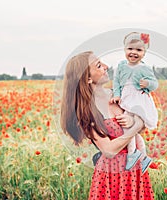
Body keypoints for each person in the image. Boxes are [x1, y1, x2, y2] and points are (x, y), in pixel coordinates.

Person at [60, 51, 154, 200]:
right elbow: (109, 150)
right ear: (88, 78)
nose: (106, 66)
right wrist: (136, 126)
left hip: (134, 168)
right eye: (99, 65)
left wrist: (135, 121)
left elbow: (144, 121)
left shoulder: (119, 95)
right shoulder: (86, 111)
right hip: (111, 172)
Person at [110, 32, 158, 173]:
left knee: (129, 129)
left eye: (139, 50)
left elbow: (155, 84)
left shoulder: (145, 68)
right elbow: (116, 82)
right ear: (125, 49)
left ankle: (132, 155)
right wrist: (117, 95)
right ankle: (143, 157)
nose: (134, 52)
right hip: (126, 98)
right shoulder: (121, 66)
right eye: (130, 49)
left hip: (138, 100)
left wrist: (147, 83)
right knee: (134, 133)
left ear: (144, 52)